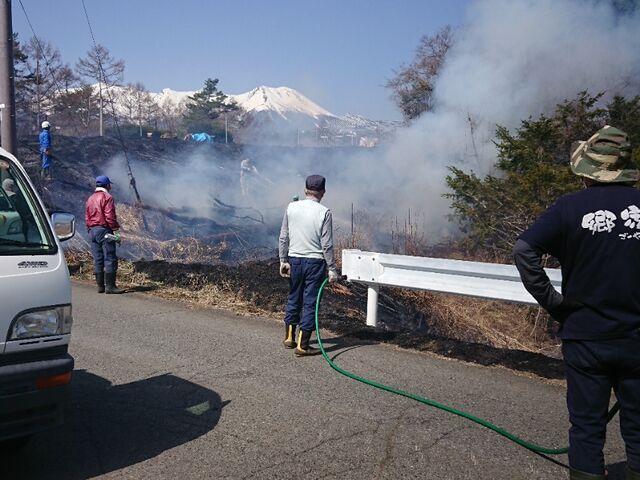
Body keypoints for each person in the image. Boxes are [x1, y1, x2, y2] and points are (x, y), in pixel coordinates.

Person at [513, 126, 640, 480]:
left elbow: (524, 251)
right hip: (636, 339)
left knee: (586, 427)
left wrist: (554, 303)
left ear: (588, 172)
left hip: (585, 337)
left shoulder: (569, 208)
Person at [278, 174, 338, 356]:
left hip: (294, 259)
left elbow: (283, 237)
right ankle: (303, 346)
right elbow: (326, 244)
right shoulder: (324, 212)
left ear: (305, 190)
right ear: (323, 192)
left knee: (293, 297)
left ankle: (289, 338)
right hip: (315, 262)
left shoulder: (291, 207)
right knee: (310, 302)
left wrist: (283, 260)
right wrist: (332, 269)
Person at [85, 175, 125, 294]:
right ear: (107, 185)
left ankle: (100, 286)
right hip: (104, 230)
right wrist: (115, 229)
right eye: (109, 185)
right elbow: (109, 216)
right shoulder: (107, 197)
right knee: (110, 257)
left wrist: (89, 228)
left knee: (98, 258)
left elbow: (87, 216)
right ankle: (110, 287)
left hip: (92, 230)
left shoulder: (90, 198)